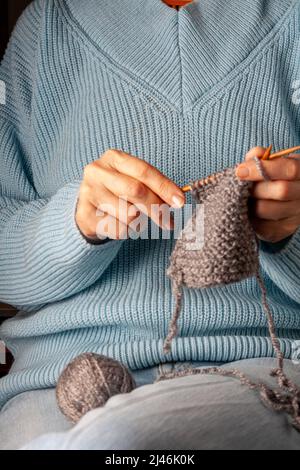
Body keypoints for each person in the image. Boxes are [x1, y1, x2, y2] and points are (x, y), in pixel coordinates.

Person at [0, 0, 300, 450]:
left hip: (256, 365)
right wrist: (76, 224)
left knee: (117, 439)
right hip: (59, 377)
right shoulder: (48, 25)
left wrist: (286, 232)